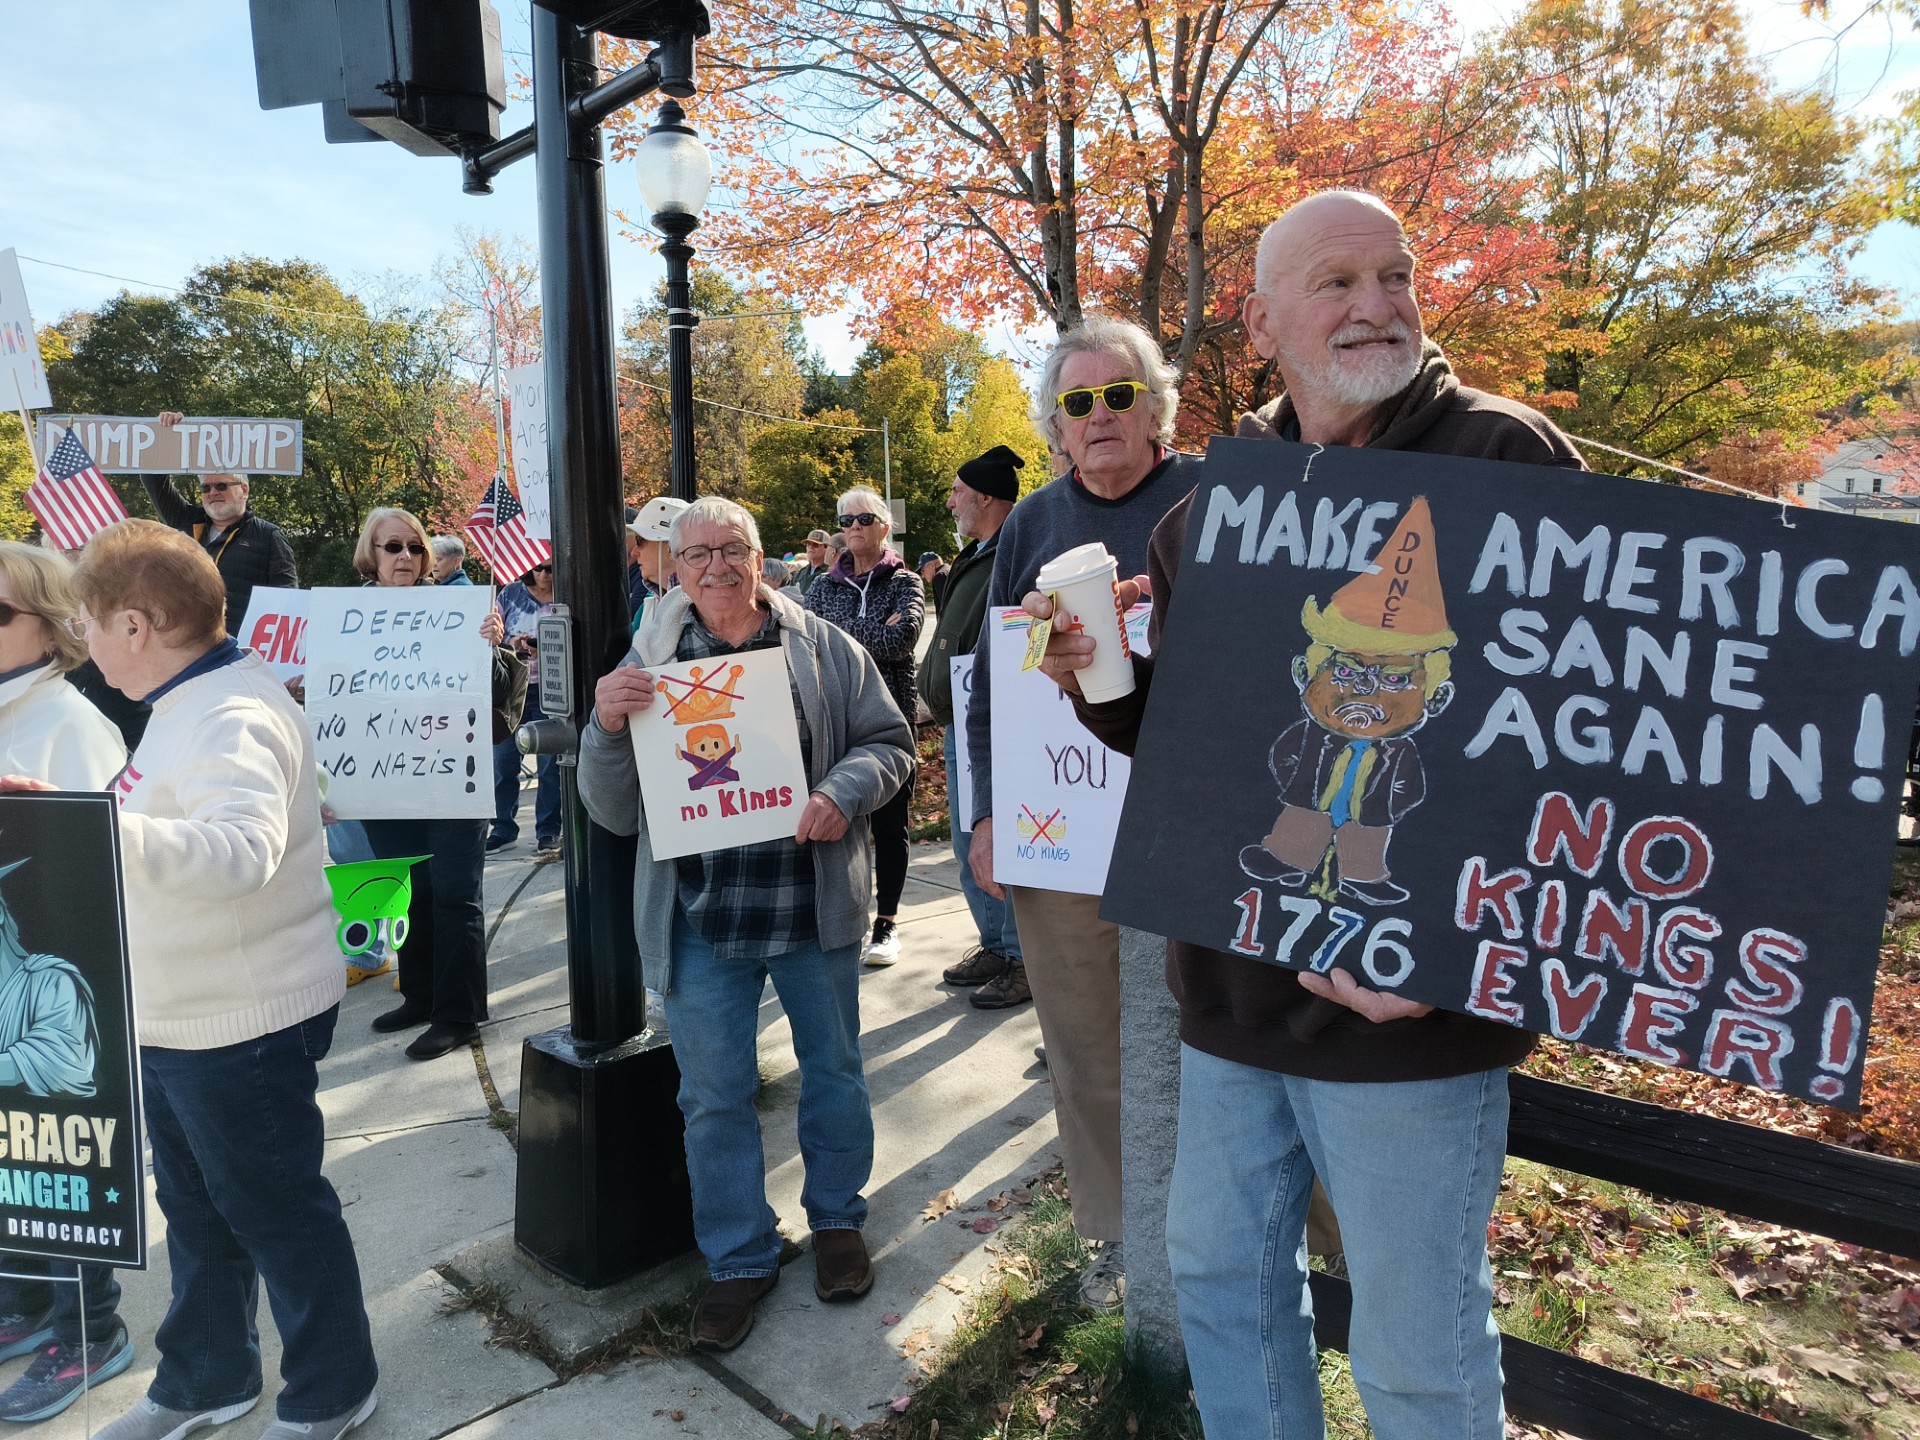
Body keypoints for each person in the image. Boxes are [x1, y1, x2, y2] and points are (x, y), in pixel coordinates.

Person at [1043, 189, 1584, 1438]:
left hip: (1408, 1018)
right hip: (1232, 1005)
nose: (1375, 303)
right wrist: (1098, 689)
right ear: (1264, 316)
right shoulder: (1213, 515)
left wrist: (1459, 959)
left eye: (1392, 275)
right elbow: (1196, 756)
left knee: (1416, 1350)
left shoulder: (1506, 458)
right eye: (1336, 283)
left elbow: (1567, 753)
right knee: (1226, 1294)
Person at [22, 518, 379, 1440]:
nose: (83, 642)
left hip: (243, 1024)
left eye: (90, 622)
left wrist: (93, 826)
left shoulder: (231, 713)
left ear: (135, 625)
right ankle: (203, 1381)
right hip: (188, 1017)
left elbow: (237, 852)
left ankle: (334, 1388)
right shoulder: (191, 704)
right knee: (198, 1211)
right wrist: (72, 820)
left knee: (274, 1212)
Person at [578, 496, 913, 1352]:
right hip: (700, 917)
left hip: (808, 905)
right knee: (713, 1097)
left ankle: (837, 1221)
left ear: (762, 558)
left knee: (833, 1070)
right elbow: (611, 810)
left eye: (733, 549)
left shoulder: (820, 646)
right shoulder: (650, 660)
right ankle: (738, 1258)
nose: (716, 567)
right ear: (673, 570)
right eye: (696, 556)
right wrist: (607, 725)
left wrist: (845, 792)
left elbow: (892, 743)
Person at [965, 316, 1201, 1307]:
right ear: (1055, 427)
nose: (1098, 416)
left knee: (1220, 1042)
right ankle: (1123, 1236)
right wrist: (985, 812)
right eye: (1077, 402)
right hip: (1066, 832)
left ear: (1155, 407)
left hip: (1195, 827)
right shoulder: (1032, 525)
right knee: (1086, 1041)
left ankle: (1267, 1240)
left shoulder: (1212, 497)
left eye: (1117, 395)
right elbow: (993, 681)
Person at [0, 542, 131, 1422]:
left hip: (47, 993)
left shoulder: (68, 723)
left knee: (59, 1156)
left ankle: (90, 1327)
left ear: (49, 626)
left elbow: (91, 885)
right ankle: (28, 1301)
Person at [353, 508, 517, 1061]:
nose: (405, 557)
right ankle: (419, 994)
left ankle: (458, 1014)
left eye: (415, 548)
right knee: (407, 891)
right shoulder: (346, 617)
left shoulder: (459, 609)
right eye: (392, 546)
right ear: (370, 555)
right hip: (384, 778)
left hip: (453, 777)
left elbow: (495, 692)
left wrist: (491, 644)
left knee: (454, 896)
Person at [914, 448, 1024, 1000]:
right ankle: (997, 945)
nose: (952, 500)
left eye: (958, 491)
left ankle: (1022, 957)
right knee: (967, 841)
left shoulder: (1016, 548)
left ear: (983, 497)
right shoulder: (975, 553)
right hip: (962, 719)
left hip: (997, 723)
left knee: (998, 839)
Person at [803, 487, 923, 967]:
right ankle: (840, 919)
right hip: (833, 719)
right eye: (845, 518)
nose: (854, 526)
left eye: (865, 518)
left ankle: (887, 924)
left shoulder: (905, 581)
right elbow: (809, 643)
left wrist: (842, 637)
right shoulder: (822, 586)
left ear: (884, 525)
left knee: (891, 826)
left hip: (888, 716)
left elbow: (903, 638)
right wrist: (873, 631)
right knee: (837, 820)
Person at [141, 412, 298, 636]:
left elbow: (287, 599)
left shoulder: (268, 536)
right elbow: (153, 479)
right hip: (189, 646)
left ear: (244, 490)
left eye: (222, 486)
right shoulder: (187, 521)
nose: (213, 492)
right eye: (206, 488)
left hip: (241, 651)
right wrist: (168, 435)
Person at [492, 560, 561, 857]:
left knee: (550, 768)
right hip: (513, 690)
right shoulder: (509, 595)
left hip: (553, 690)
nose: (544, 575)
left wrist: (544, 647)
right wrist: (514, 644)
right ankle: (503, 828)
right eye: (539, 568)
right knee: (503, 763)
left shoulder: (568, 594)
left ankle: (548, 831)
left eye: (550, 568)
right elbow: (490, 638)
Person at [628, 497, 689, 633]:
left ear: (671, 548)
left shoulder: (705, 604)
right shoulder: (647, 606)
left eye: (640, 541)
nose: (634, 552)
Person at [793, 529, 832, 597]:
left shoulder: (830, 573)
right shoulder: (800, 573)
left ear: (826, 548)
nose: (811, 547)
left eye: (815, 544)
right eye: (808, 544)